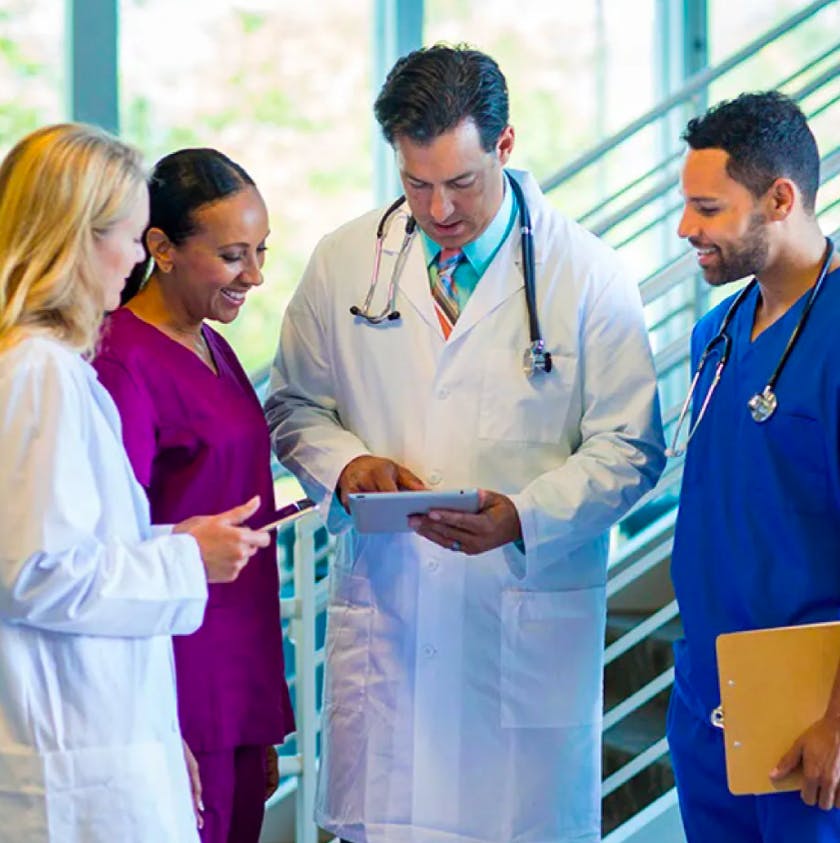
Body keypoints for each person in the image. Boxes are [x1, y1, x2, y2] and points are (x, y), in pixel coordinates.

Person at [266, 44, 665, 843]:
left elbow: (630, 447)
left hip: (518, 639)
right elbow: (292, 404)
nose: (439, 209)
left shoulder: (586, 274)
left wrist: (523, 514)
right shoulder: (347, 262)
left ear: (506, 146)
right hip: (390, 631)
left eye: (461, 182)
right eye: (416, 184)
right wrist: (347, 467)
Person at [0, 124, 270, 843]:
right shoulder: (41, 373)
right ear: (75, 237)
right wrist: (186, 558)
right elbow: (33, 572)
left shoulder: (43, 364)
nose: (132, 257)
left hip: (99, 725)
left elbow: (66, 542)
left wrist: (174, 539)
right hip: (72, 748)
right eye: (126, 235)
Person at [93, 148, 295, 843]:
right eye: (235, 255)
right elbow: (110, 552)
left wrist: (259, 718)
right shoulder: (121, 361)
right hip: (174, 687)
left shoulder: (212, 340)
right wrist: (150, 725)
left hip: (239, 679)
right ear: (161, 248)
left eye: (262, 250)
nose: (257, 275)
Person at [667, 90, 840, 842]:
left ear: (780, 198)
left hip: (809, 712)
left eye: (708, 209)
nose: (686, 229)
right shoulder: (718, 330)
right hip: (708, 694)